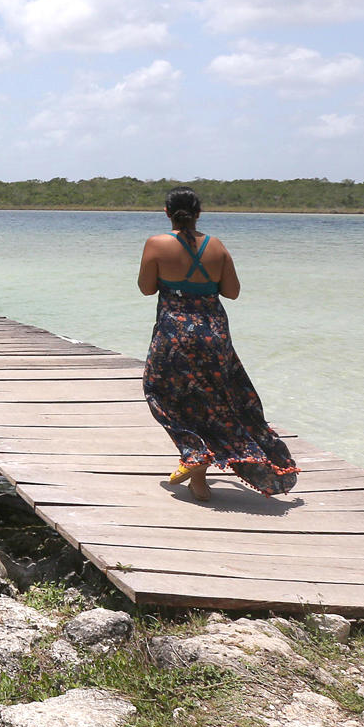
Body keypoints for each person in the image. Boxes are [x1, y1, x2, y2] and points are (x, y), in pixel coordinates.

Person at [136, 187, 297, 502]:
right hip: (214, 335)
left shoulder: (156, 244)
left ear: (167, 212)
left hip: (175, 334)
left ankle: (194, 455)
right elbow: (232, 292)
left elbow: (145, 289)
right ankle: (199, 472)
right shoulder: (217, 246)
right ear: (199, 212)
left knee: (161, 393)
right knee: (215, 403)